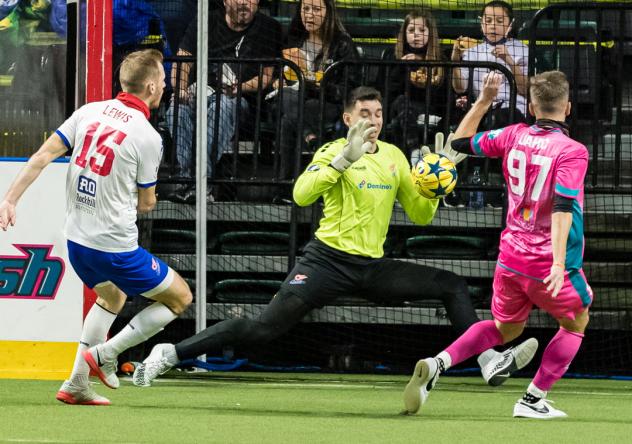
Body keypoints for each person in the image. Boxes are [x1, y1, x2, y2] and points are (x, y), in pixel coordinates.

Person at [132, 86, 537, 388]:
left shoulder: (395, 157)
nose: (374, 120)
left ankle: (488, 361)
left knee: (450, 285)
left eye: (378, 113)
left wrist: (436, 186)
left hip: (371, 267)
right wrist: (345, 159)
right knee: (261, 329)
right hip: (325, 262)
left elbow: (419, 215)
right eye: (365, 113)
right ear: (348, 120)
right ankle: (168, 353)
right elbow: (300, 195)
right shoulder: (331, 151)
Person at [0, 49, 192, 405]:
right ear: (150, 86)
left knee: (112, 297)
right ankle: (105, 354)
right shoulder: (148, 136)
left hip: (76, 240)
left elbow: (43, 155)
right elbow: (147, 203)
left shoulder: (88, 111)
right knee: (181, 298)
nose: (165, 86)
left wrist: (10, 199)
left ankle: (76, 383)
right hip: (114, 248)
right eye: (163, 81)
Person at [403, 71, 591, 419]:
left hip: (510, 257)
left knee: (508, 328)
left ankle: (437, 363)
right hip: (547, 259)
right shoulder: (573, 151)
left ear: (532, 106)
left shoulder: (512, 135)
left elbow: (458, 145)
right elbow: (564, 206)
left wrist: (483, 101)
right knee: (576, 320)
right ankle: (533, 400)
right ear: (567, 107)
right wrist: (558, 263)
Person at [168, 0, 282, 203]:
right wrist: (181, 89)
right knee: (176, 108)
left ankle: (201, 183)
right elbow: (183, 59)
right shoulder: (206, 20)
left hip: (243, 103)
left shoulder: (267, 27)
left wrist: (240, 88)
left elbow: (266, 77)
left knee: (222, 107)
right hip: (202, 93)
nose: (244, 3)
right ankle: (189, 181)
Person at [276, 0, 358, 181]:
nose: (309, 14)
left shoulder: (342, 44)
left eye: (316, 9)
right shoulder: (293, 38)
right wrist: (279, 80)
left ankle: (286, 184)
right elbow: (279, 72)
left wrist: (320, 85)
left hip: (327, 103)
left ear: (328, 12)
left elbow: (349, 88)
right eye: (305, 9)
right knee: (288, 96)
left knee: (289, 119)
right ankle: (310, 137)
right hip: (293, 98)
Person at [451, 0, 528, 129]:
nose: (493, 26)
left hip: (514, 110)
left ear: (510, 24)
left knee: (496, 121)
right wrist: (455, 60)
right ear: (482, 23)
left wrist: (509, 60)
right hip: (482, 108)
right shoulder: (471, 50)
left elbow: (525, 89)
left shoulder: (522, 49)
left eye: (499, 21)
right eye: (488, 21)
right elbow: (459, 88)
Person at [380, 9, 445, 152]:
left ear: (430, 33)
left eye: (422, 30)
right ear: (404, 34)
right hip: (396, 106)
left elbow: (443, 95)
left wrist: (425, 80)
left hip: (426, 106)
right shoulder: (392, 55)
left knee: (399, 122)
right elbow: (386, 91)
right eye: (411, 30)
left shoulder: (440, 58)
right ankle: (415, 150)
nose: (416, 34)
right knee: (401, 101)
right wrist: (401, 68)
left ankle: (408, 153)